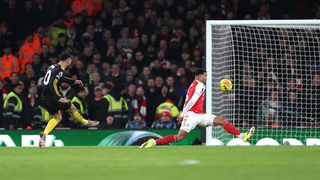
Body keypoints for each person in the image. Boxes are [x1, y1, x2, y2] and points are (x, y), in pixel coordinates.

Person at [140, 68, 255, 148]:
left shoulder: (193, 85)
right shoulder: (200, 85)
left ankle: (243, 136)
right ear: (199, 76)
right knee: (178, 137)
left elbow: (189, 100)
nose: (206, 78)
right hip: (191, 116)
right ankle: (153, 143)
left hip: (199, 115)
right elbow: (192, 100)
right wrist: (183, 114)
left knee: (222, 121)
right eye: (205, 76)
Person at [39, 52, 99, 149]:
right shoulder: (59, 70)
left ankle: (44, 134)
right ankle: (85, 122)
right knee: (72, 107)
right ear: (68, 60)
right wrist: (58, 98)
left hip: (44, 98)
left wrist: (74, 81)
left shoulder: (53, 67)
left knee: (57, 117)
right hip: (53, 98)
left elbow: (60, 78)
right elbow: (52, 83)